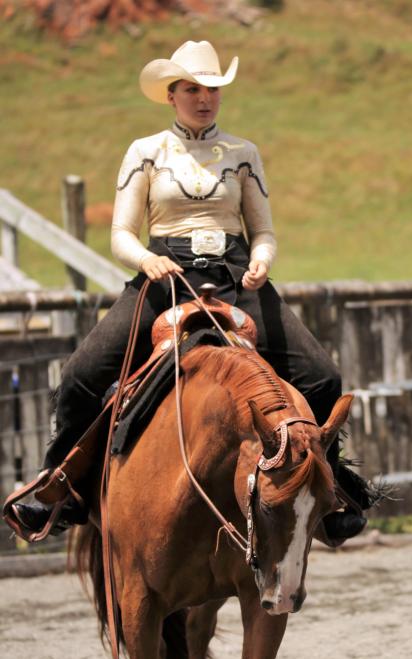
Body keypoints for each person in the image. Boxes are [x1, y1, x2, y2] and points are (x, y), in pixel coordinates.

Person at [13, 40, 373, 543]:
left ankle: (331, 489)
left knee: (323, 376)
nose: (204, 98)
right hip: (164, 275)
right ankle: (62, 489)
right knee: (79, 376)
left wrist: (263, 261)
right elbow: (121, 232)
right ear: (171, 95)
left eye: (212, 89)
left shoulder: (244, 153)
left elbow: (263, 230)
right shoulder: (145, 151)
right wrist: (145, 259)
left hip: (236, 272)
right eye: (192, 89)